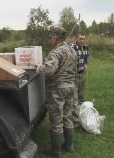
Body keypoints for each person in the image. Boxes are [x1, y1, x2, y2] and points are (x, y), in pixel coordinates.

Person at [36, 28, 76, 158]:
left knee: (56, 120)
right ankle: (69, 146)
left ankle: (56, 151)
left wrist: (38, 66)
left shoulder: (57, 52)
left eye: (51, 38)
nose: (50, 40)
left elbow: (48, 71)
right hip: (71, 87)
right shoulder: (72, 50)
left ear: (55, 38)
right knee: (68, 116)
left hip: (58, 89)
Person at [70, 32, 90, 127]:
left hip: (82, 75)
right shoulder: (71, 48)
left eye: (83, 38)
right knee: (74, 99)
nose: (82, 40)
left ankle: (82, 116)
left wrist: (86, 65)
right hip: (73, 76)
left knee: (82, 97)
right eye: (80, 38)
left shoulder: (85, 47)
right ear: (76, 39)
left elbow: (86, 59)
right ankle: (74, 121)